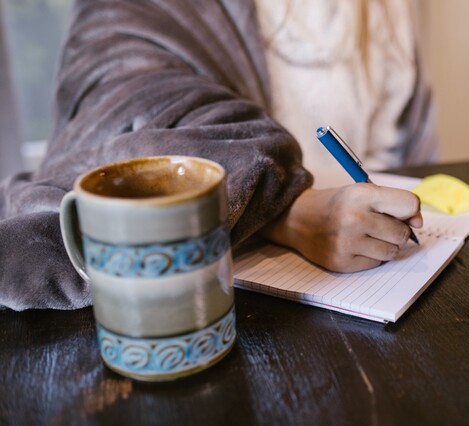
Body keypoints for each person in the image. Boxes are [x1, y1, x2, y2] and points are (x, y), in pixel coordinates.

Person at [0, 0, 437, 310]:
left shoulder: (386, 12)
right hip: (231, 284)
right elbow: (128, 104)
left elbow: (394, 156)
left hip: (363, 278)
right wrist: (292, 214)